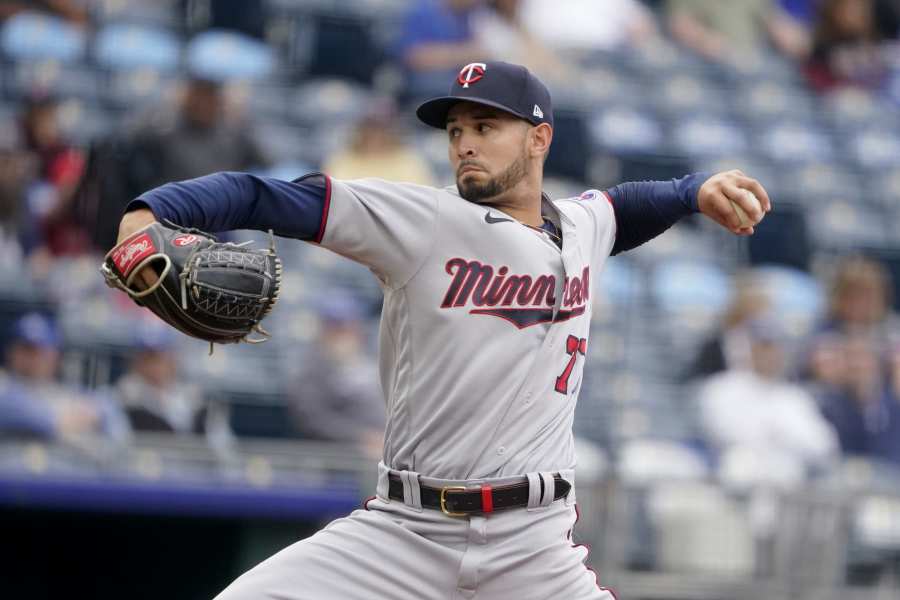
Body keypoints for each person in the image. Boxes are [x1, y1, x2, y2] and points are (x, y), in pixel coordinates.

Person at [111, 61, 771, 599]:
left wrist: (693, 190)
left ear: (540, 139)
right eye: (455, 130)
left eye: (486, 125)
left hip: (533, 546)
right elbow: (266, 196)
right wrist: (147, 215)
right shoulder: (421, 222)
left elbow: (625, 207)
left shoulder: (581, 225)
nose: (465, 143)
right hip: (404, 532)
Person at [697, 318, 838, 488]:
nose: (770, 354)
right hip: (735, 484)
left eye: (775, 348)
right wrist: (780, 435)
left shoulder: (795, 397)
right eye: (763, 347)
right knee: (741, 462)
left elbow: (824, 446)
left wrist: (783, 433)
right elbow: (727, 435)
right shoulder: (721, 389)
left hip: (788, 485)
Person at [0, 312, 125, 441]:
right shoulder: (5, 385)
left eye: (41, 351)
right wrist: (60, 419)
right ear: (11, 352)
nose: (34, 358)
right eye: (27, 349)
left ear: (55, 356)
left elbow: (111, 418)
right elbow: (36, 420)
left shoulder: (64, 391)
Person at [287, 293, 384, 457]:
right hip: (343, 457)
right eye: (336, 327)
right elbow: (314, 420)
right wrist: (360, 438)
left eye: (348, 326)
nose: (343, 333)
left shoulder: (373, 359)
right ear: (323, 330)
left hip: (386, 448)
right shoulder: (311, 369)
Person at [666, 0, 811, 69]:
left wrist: (796, 41)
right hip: (705, 64)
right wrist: (703, 40)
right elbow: (678, 23)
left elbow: (778, 25)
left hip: (748, 63)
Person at [321, 98, 434, 185]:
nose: (376, 135)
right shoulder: (342, 159)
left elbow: (422, 200)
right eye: (370, 128)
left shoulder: (410, 160)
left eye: (382, 129)